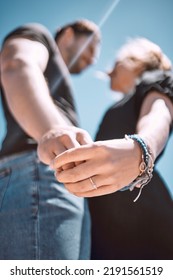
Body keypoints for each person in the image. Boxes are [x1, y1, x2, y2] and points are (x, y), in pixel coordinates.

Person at [53, 38, 173, 259]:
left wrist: (142, 149)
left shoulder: (155, 80)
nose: (108, 71)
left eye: (116, 64)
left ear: (135, 61)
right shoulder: (117, 106)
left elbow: (158, 116)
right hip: (101, 227)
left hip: (142, 219)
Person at [0, 19, 101, 260]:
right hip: (41, 169)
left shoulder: (56, 78)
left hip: (53, 177)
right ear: (68, 35)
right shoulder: (38, 34)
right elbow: (17, 63)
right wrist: (53, 129)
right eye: (90, 47)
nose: (93, 60)